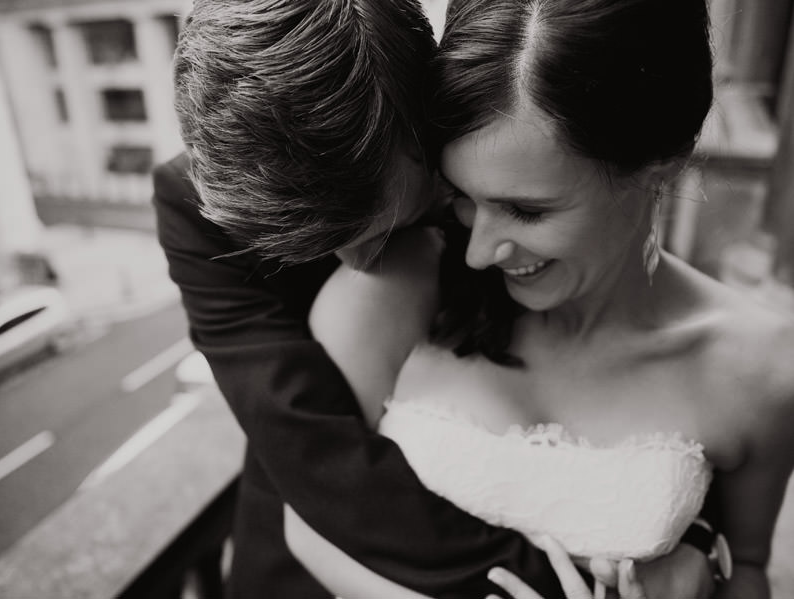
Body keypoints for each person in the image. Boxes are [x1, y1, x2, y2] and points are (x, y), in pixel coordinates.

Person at [285, 0, 794, 598]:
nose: (476, 253)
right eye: (462, 196)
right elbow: (308, 522)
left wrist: (706, 571)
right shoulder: (390, 291)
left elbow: (747, 569)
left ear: (662, 167)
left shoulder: (763, 369)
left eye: (525, 210)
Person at [157, 0, 569, 596]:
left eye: (382, 228)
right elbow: (315, 451)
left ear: (424, 118)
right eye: (313, 248)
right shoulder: (188, 205)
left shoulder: (497, 121)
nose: (356, 266)